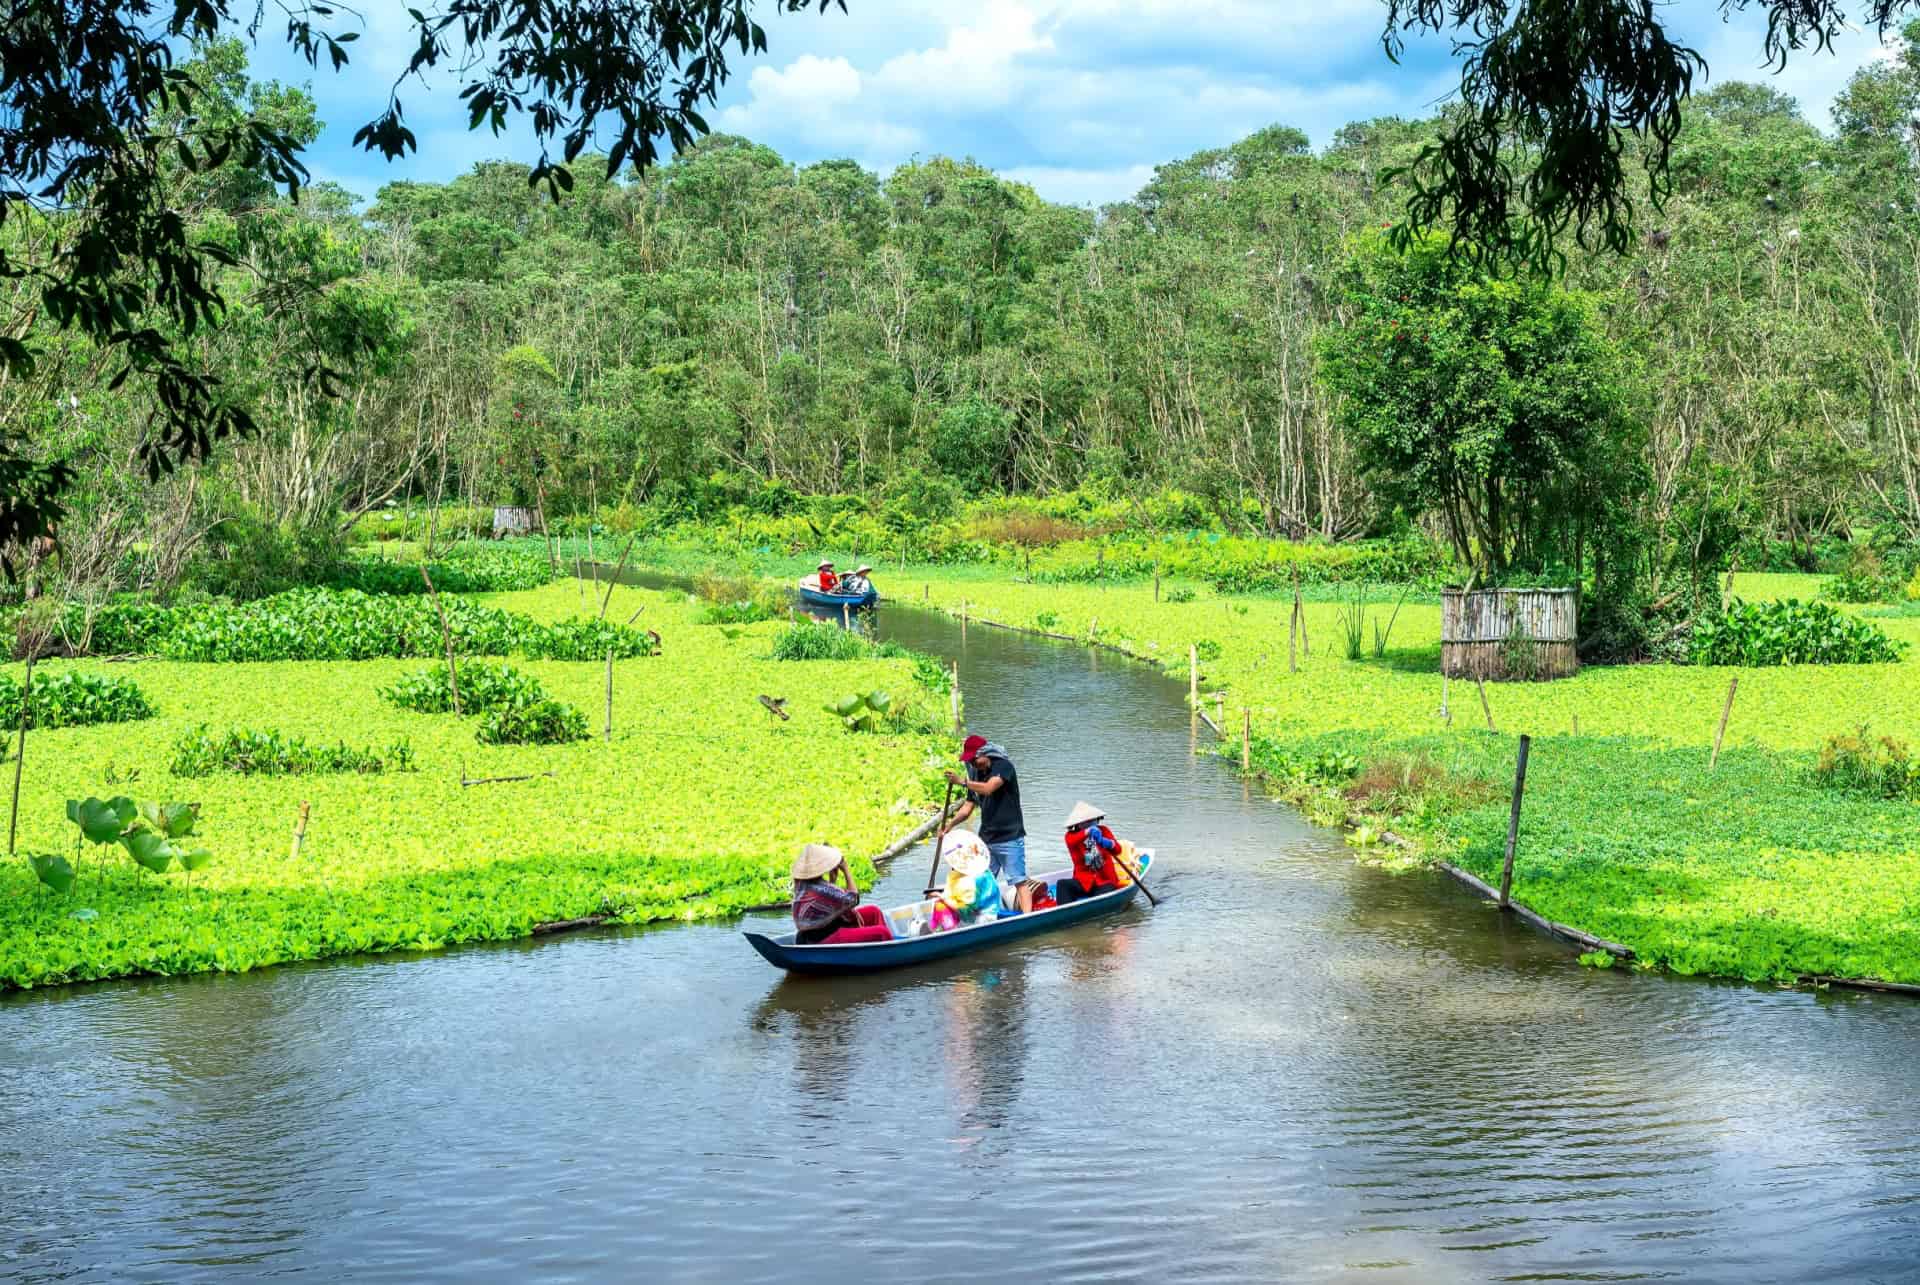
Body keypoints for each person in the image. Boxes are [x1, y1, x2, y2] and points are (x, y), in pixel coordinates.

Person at [945, 733, 1026, 885]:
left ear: (984, 754)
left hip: (1010, 836)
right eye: (970, 761)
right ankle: (983, 909)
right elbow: (968, 806)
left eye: (974, 760)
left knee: (1018, 881)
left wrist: (962, 782)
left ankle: (1029, 910)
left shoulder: (1003, 766)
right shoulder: (975, 775)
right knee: (981, 881)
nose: (973, 764)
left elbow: (989, 788)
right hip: (987, 838)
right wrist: (949, 825)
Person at [790, 843, 892, 945]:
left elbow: (827, 905)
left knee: (873, 911)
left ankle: (874, 946)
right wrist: (846, 870)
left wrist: (832, 881)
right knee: (882, 932)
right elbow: (853, 899)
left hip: (822, 931)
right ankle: (887, 949)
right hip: (822, 938)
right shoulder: (821, 889)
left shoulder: (803, 886)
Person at [1054, 800, 1133, 904]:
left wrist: (1107, 842)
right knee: (1062, 884)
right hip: (1084, 881)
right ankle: (1064, 913)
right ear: (1078, 824)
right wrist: (1088, 832)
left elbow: (1118, 850)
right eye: (1087, 821)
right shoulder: (1071, 836)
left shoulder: (1103, 830)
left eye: (1093, 820)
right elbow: (1072, 841)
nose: (1091, 823)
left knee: (1105, 894)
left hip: (1105, 881)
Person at [933, 832, 1002, 926]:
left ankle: (943, 931)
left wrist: (943, 897)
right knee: (941, 903)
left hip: (982, 917)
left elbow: (965, 909)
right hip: (979, 912)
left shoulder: (974, 879)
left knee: (940, 904)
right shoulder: (982, 869)